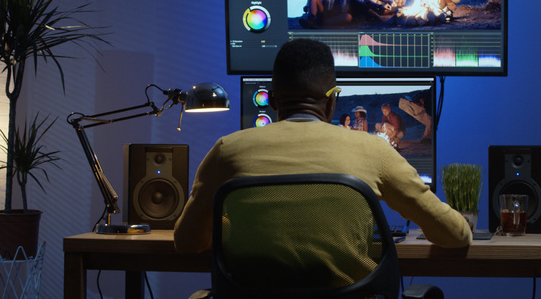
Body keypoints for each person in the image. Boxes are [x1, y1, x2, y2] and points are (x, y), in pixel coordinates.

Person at [174, 39, 471, 273]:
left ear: (273, 101)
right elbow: (454, 235)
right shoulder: (374, 150)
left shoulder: (227, 150)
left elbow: (187, 243)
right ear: (332, 101)